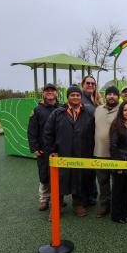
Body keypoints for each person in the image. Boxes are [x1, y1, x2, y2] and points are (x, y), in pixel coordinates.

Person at [43, 85, 95, 217]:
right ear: (68, 97)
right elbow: (48, 133)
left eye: (78, 95)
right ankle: (57, 206)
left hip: (81, 154)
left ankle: (78, 204)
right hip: (61, 154)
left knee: (79, 179)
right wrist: (52, 151)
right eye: (72, 95)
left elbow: (92, 133)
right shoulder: (57, 113)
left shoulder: (88, 113)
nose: (76, 97)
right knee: (59, 181)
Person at [28, 83, 60, 211]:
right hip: (43, 148)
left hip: (59, 148)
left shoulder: (61, 107)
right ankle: (44, 199)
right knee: (44, 175)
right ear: (43, 93)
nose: (50, 92)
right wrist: (35, 147)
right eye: (47, 90)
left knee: (59, 175)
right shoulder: (37, 110)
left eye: (52, 90)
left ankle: (58, 198)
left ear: (56, 93)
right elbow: (31, 130)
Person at [109, 101, 127, 224]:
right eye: (125, 110)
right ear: (121, 112)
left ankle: (124, 213)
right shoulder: (116, 125)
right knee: (118, 191)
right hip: (120, 163)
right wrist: (118, 165)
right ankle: (116, 215)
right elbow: (113, 146)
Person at [94, 86, 120, 218]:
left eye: (114, 94)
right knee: (102, 182)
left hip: (117, 155)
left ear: (118, 96)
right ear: (106, 96)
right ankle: (104, 205)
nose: (111, 96)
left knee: (117, 182)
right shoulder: (98, 109)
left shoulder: (123, 110)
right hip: (100, 153)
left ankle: (116, 205)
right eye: (109, 94)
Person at [80, 75, 101, 206]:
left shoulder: (97, 100)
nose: (90, 85)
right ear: (83, 84)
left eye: (93, 83)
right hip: (83, 140)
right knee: (83, 171)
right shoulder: (79, 98)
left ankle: (92, 195)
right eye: (87, 83)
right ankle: (83, 198)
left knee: (92, 169)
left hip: (95, 140)